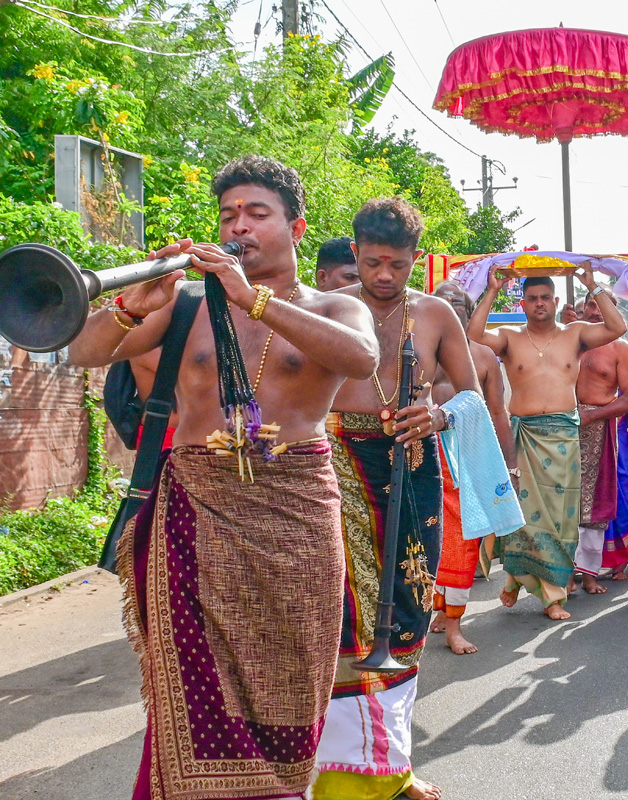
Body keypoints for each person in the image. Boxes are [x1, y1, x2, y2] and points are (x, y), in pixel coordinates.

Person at [69, 155, 379, 800]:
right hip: (195, 511)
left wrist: (253, 298)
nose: (239, 226)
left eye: (257, 214)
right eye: (229, 214)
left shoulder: (334, 307)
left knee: (294, 670)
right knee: (192, 679)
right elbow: (83, 351)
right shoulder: (186, 305)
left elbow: (361, 359)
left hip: (297, 511)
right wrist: (130, 305)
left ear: (295, 228)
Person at [316, 197, 482, 800]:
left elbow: (471, 394)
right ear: (355, 252)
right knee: (338, 614)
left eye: (398, 264)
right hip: (333, 464)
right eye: (373, 263)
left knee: (408, 611)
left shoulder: (435, 314)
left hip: (412, 468)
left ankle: (393, 766)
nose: (384, 275)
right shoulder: (327, 310)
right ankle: (337, 770)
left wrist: (438, 415)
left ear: (416, 259)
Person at [468, 269, 627, 620]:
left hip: (564, 437)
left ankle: (533, 584)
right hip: (525, 436)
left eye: (545, 298)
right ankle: (543, 593)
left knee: (560, 520)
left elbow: (618, 327)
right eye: (532, 298)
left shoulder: (575, 334)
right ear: (523, 304)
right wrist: (492, 290)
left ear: (555, 301)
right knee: (523, 518)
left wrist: (592, 285)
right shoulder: (509, 337)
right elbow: (474, 334)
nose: (539, 303)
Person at [428, 280, 518, 654]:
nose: (450, 309)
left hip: (468, 456)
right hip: (424, 454)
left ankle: (454, 624)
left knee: (462, 542)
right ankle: (437, 608)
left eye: (457, 304)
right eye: (442, 302)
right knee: (426, 538)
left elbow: (496, 411)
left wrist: (510, 466)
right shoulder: (416, 348)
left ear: (467, 312)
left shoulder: (482, 357)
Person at [573, 293, 628, 594]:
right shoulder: (570, 340)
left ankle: (589, 575)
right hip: (562, 427)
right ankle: (562, 574)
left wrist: (592, 415)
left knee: (594, 505)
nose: (595, 312)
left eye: (602, 306)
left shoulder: (620, 348)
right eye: (591, 305)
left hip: (599, 428)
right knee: (561, 500)